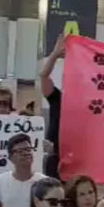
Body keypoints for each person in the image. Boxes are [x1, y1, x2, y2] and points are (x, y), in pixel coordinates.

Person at [40, 34, 65, 180]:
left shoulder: (91, 105)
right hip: (54, 154)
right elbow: (43, 76)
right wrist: (54, 55)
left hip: (78, 157)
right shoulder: (58, 97)